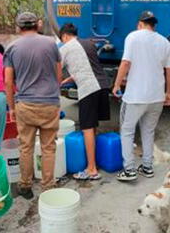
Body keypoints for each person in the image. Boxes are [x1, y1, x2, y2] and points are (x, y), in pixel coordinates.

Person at [4, 12, 62, 198]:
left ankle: (25, 185)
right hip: (49, 103)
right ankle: (48, 186)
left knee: (26, 147)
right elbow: (58, 74)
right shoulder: (51, 43)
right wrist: (54, 93)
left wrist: (12, 107)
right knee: (48, 147)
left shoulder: (12, 47)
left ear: (18, 27)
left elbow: (8, 81)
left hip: (25, 104)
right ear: (37, 25)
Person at [113, 11, 170, 181]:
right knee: (148, 130)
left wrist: (116, 84)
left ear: (140, 23)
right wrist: (168, 92)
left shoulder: (133, 37)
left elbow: (125, 62)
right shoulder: (164, 42)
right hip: (156, 96)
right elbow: (168, 70)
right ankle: (147, 167)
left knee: (127, 130)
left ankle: (129, 170)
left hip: (136, 96)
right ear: (154, 25)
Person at [59, 23, 111, 180]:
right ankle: (93, 161)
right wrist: (66, 81)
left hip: (88, 88)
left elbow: (55, 70)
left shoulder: (65, 48)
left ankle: (91, 169)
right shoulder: (89, 43)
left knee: (87, 128)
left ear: (65, 36)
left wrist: (55, 83)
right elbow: (84, 67)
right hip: (102, 86)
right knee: (93, 126)